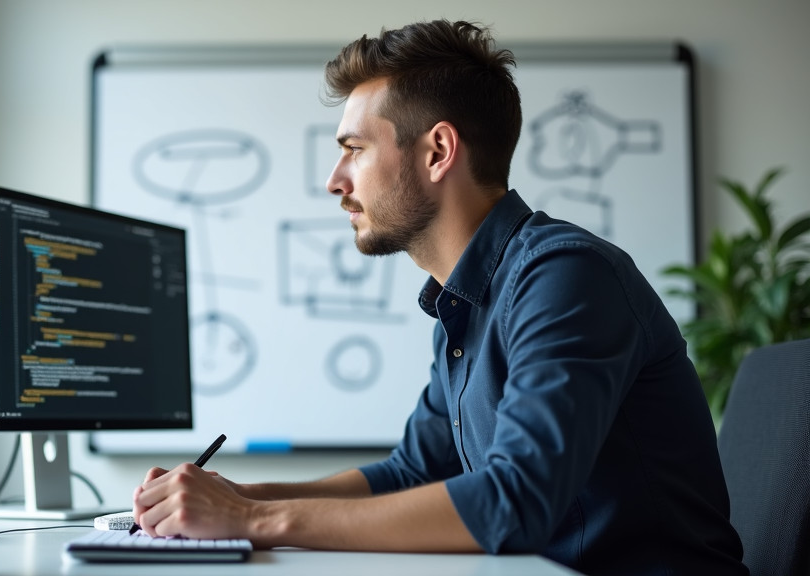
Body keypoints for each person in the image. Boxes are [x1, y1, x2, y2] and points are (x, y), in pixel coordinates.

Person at [132, 19, 748, 575]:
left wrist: (252, 523)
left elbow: (516, 502)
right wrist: (242, 497)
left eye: (354, 150)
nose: (334, 181)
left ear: (438, 151)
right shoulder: (464, 304)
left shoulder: (564, 277)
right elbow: (410, 474)